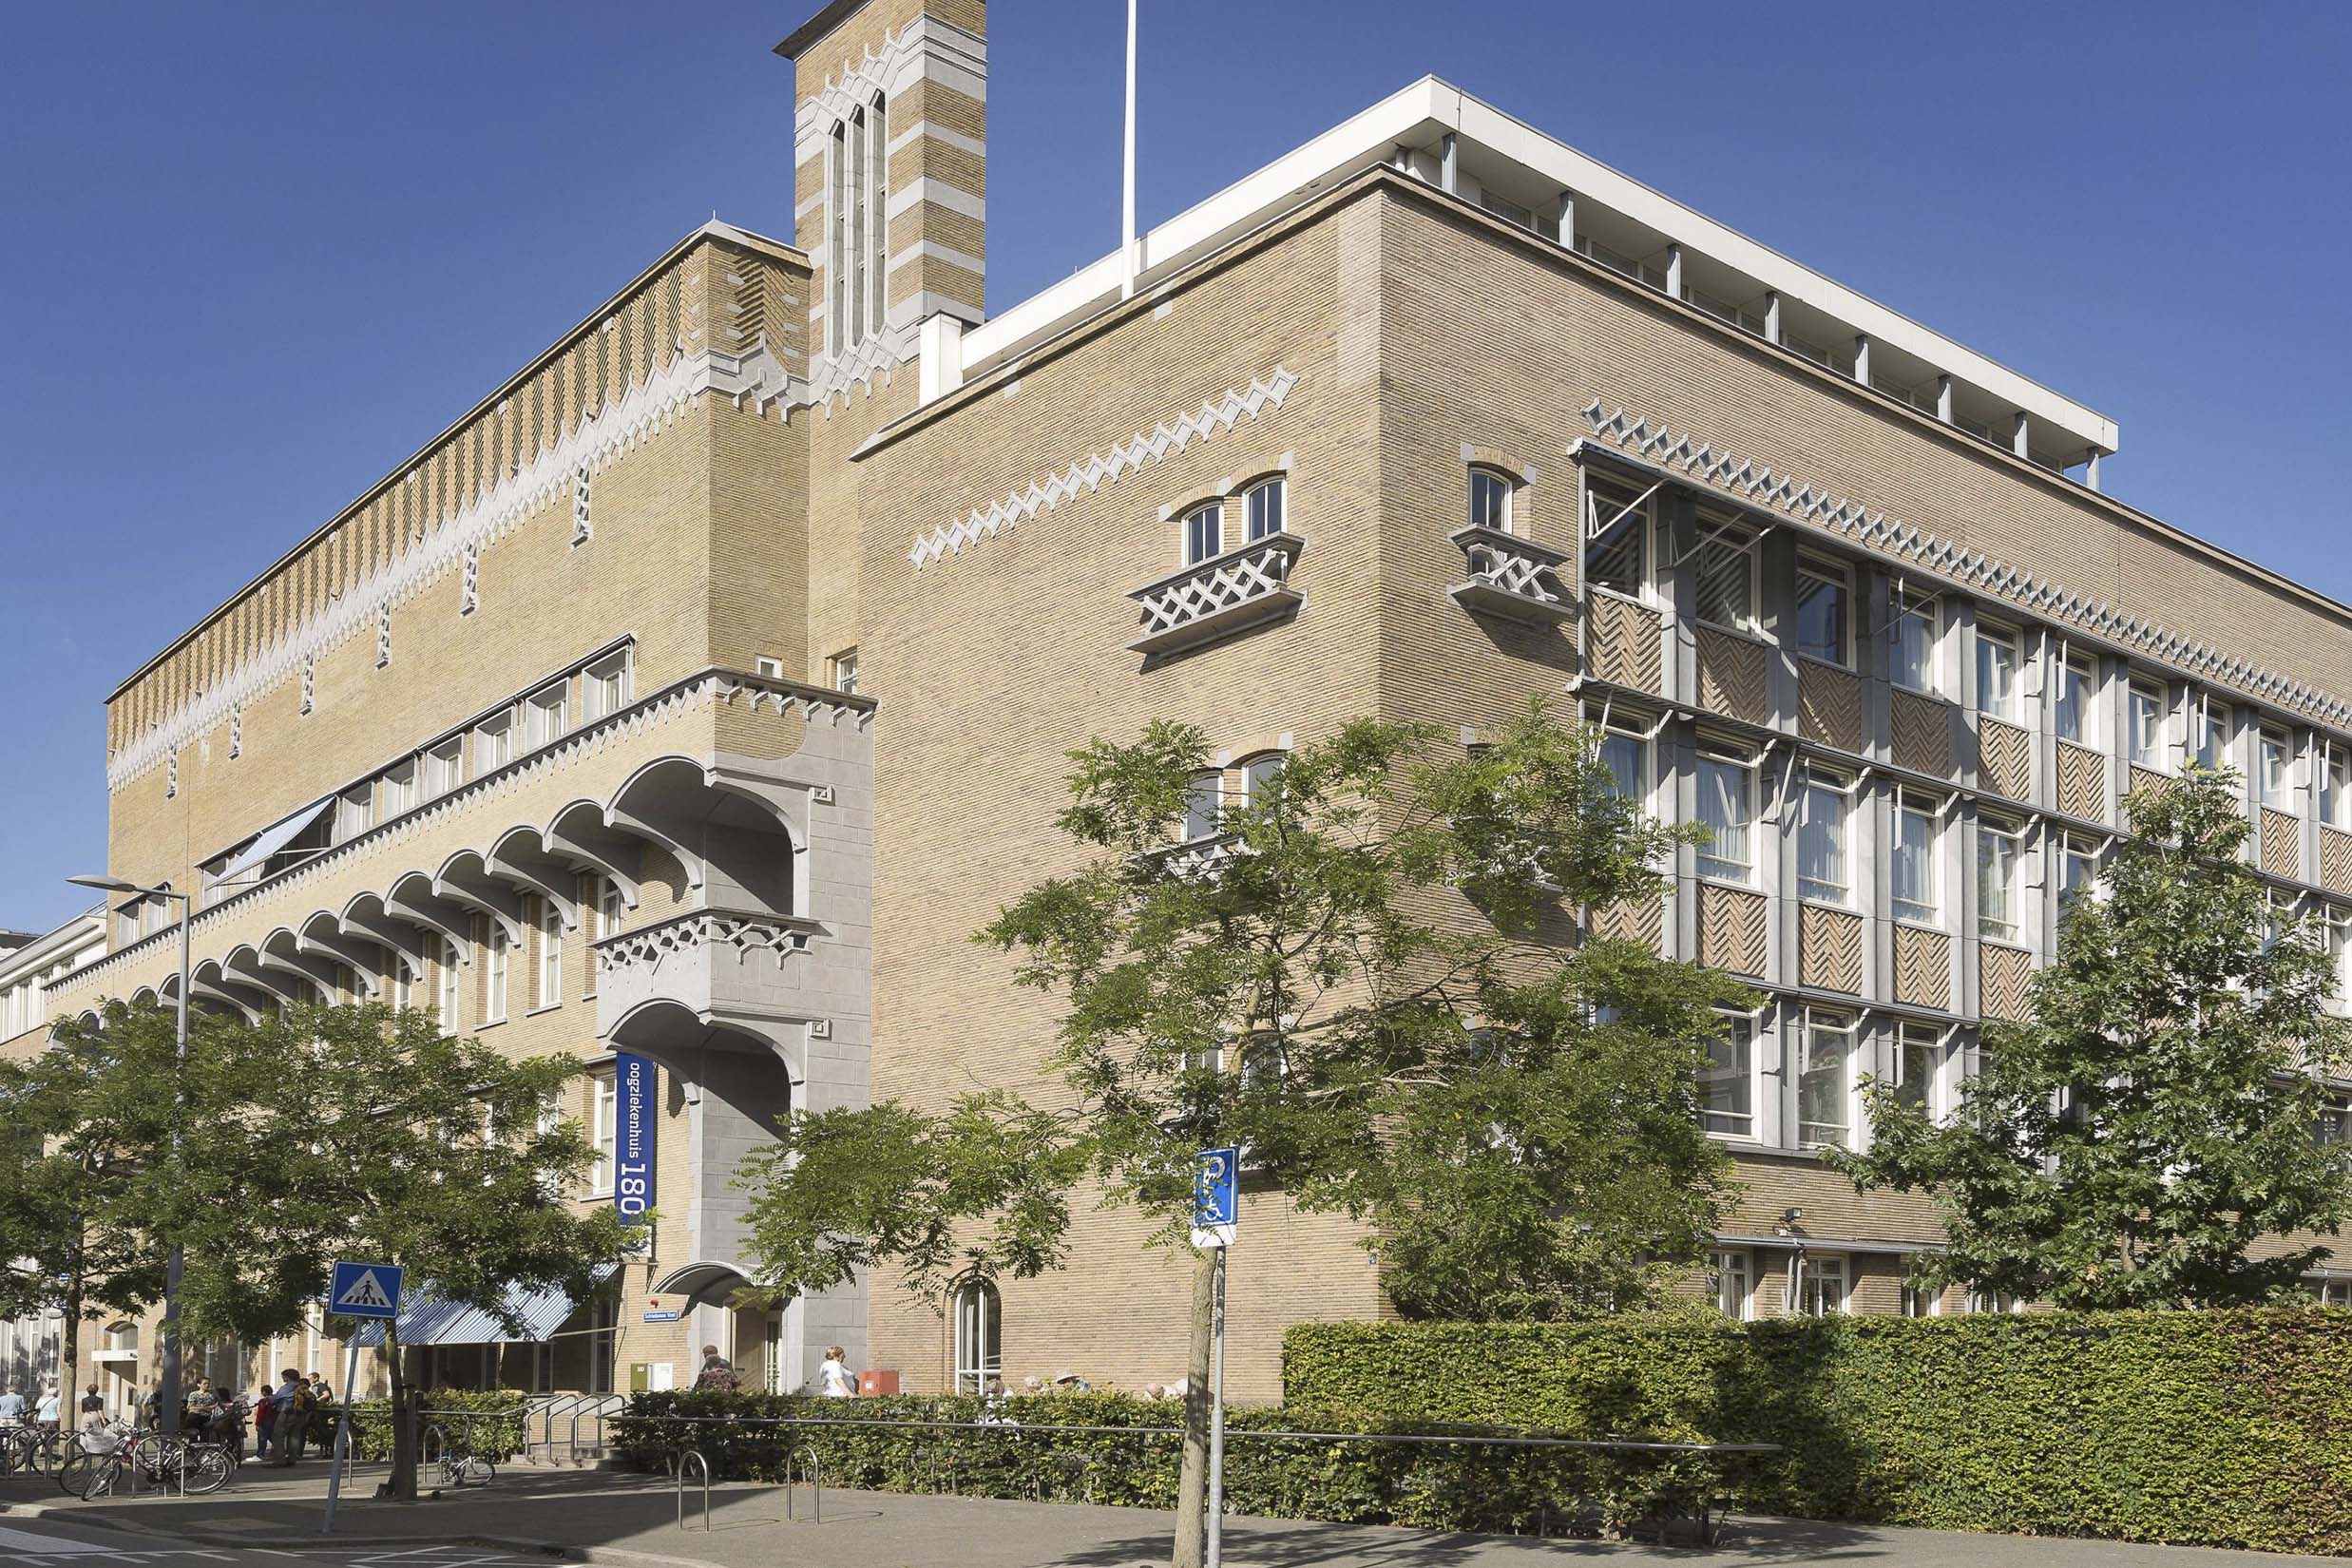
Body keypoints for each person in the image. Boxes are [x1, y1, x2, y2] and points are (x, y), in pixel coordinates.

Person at [270, 1368, 307, 1465]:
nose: (282, 1378)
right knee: (294, 1437)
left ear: (287, 1377)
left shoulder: (287, 1387)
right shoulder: (301, 1386)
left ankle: (279, 1460)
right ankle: (292, 1459)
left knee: (278, 1436)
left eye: (283, 1376)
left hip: (286, 1413)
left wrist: (270, 1399)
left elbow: (274, 1399)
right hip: (299, 1414)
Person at [252, 1381, 278, 1461]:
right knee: (272, 1437)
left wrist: (257, 1423)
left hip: (264, 1421)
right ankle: (277, 1451)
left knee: (262, 1438)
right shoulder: (275, 1400)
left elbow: (261, 1413)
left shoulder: (263, 1401)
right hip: (273, 1420)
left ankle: (260, 1454)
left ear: (263, 1392)